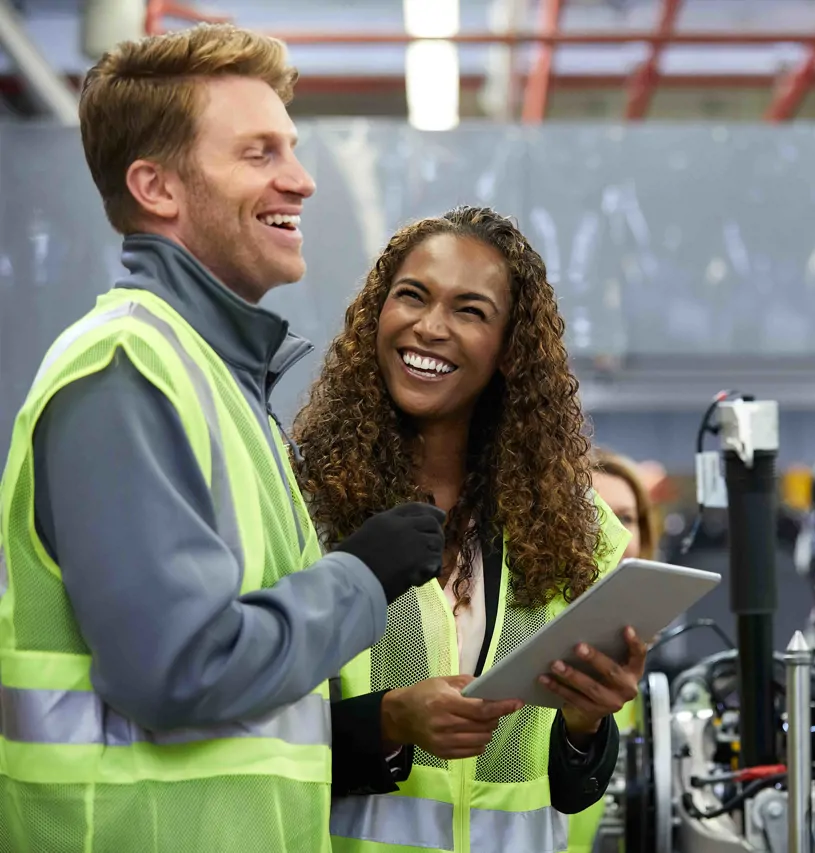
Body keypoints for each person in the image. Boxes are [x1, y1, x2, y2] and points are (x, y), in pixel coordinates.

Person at [0, 24, 444, 852]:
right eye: (258, 153)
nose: (301, 180)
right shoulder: (127, 371)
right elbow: (180, 667)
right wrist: (358, 579)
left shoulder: (216, 380)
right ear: (157, 188)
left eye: (294, 149)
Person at [292, 205, 647, 852]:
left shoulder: (579, 529)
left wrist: (585, 724)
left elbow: (570, 789)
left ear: (511, 350)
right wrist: (389, 720)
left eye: (470, 310)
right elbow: (253, 723)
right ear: (377, 315)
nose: (430, 327)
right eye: (412, 296)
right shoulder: (306, 505)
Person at [567, 446, 662, 853]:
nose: (613, 535)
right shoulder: (516, 637)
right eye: (596, 516)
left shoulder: (642, 661)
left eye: (625, 518)